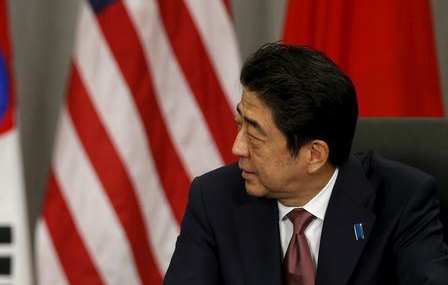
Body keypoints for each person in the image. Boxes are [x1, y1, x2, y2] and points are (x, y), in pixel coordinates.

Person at [163, 43, 448, 285]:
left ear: (314, 155)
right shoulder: (214, 198)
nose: (237, 147)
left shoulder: (402, 200)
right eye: (239, 125)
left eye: (255, 135)